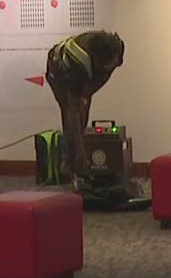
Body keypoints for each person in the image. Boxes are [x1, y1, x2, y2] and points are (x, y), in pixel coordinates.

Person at [43, 31, 125, 185]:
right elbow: (73, 111)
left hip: (86, 72)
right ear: (96, 58)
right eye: (105, 65)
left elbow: (102, 76)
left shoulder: (117, 47)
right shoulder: (78, 64)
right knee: (70, 113)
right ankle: (69, 163)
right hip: (58, 73)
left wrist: (86, 95)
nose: (111, 66)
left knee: (83, 110)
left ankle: (76, 162)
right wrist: (81, 150)